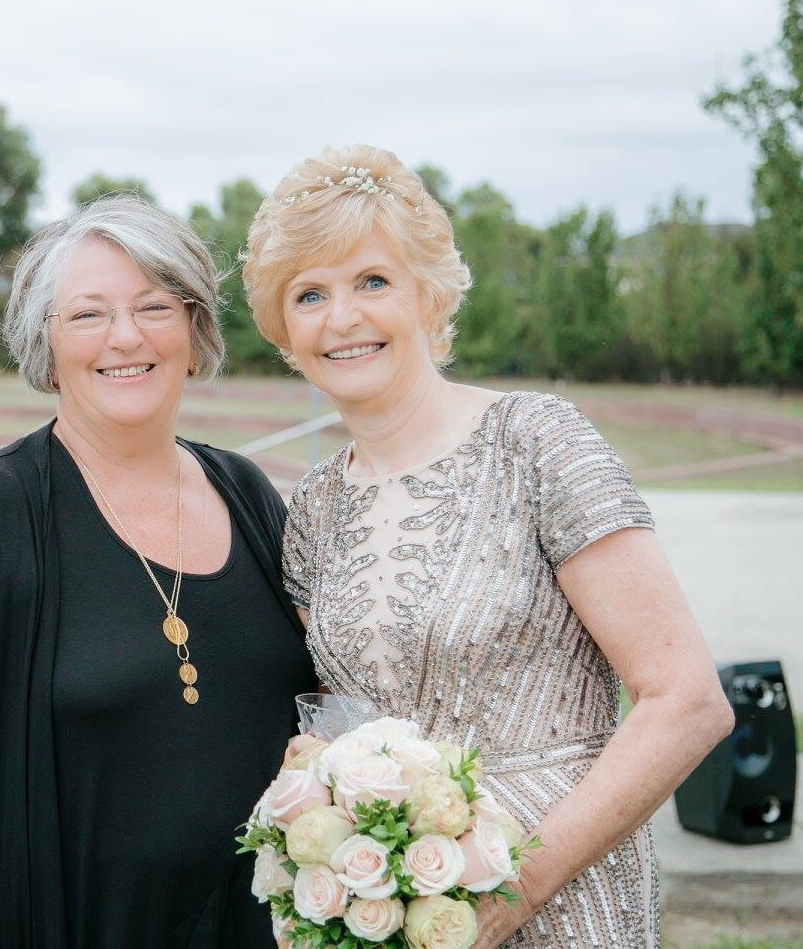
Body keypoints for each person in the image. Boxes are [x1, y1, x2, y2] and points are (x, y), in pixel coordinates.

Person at [242, 145, 733, 948]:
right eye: (309, 294)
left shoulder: (536, 442)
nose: (342, 318)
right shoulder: (315, 509)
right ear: (283, 328)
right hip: (404, 915)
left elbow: (685, 703)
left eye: (373, 281)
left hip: (566, 898)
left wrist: (516, 888)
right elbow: (340, 718)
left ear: (428, 296)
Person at [0, 196, 317, 947]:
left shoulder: (247, 492)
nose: (125, 336)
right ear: (45, 346)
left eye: (155, 306)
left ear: (195, 333)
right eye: (87, 314)